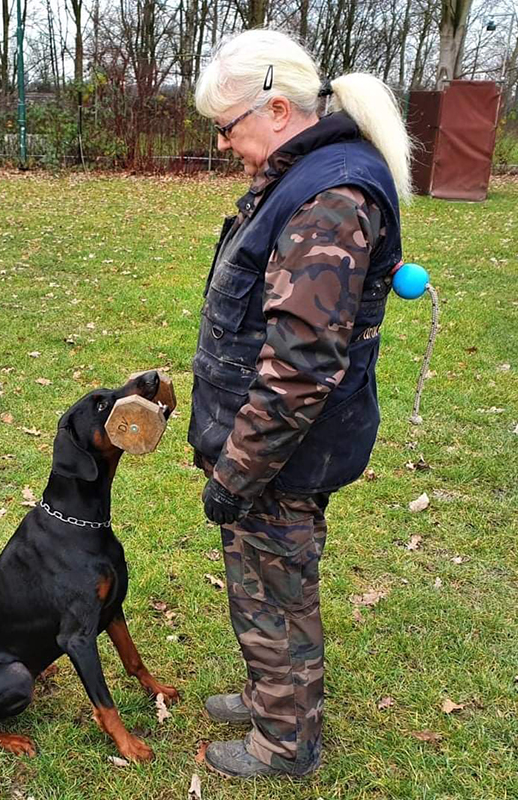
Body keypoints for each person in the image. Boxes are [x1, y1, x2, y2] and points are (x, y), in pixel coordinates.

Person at [187, 28, 412, 779]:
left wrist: (237, 472)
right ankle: (272, 698)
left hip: (283, 450)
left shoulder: (330, 198)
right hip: (275, 444)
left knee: (276, 592)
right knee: (266, 582)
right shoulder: (302, 175)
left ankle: (285, 744)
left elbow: (301, 367)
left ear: (277, 110)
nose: (223, 144)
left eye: (227, 127)